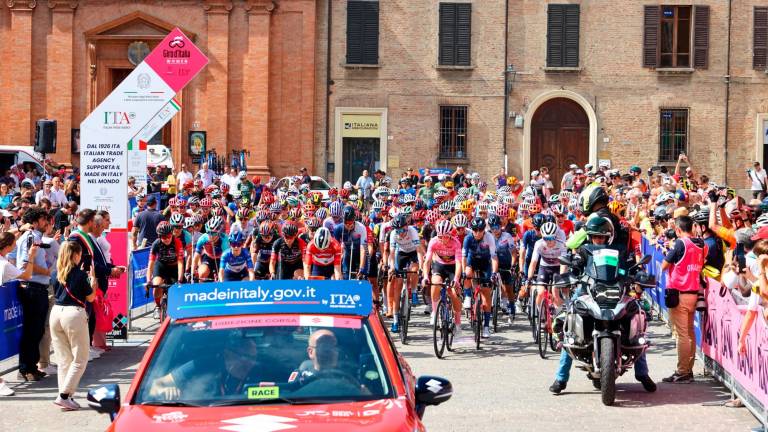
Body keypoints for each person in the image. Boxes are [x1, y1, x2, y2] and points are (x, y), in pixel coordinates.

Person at [49, 240, 97, 411]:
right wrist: (93, 280)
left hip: (56, 313)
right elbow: (91, 297)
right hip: (73, 314)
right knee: (80, 358)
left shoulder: (55, 273)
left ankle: (67, 396)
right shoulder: (80, 274)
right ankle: (63, 396)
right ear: (76, 255)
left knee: (64, 360)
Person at [661, 215, 706, 383]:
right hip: (694, 293)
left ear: (678, 230)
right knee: (690, 333)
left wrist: (669, 251)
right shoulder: (700, 245)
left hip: (679, 293)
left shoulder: (680, 243)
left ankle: (682, 371)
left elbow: (664, 265)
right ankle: (688, 370)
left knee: (681, 335)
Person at [148, 336, 262, 400]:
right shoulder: (204, 365)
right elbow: (156, 385)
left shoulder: (264, 370)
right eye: (244, 357)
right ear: (227, 354)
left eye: (253, 358)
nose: (249, 363)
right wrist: (163, 390)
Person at [15, 206, 52, 382]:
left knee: (37, 331)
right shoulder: (30, 237)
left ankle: (32, 366)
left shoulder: (37, 237)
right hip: (32, 288)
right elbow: (24, 264)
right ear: (36, 221)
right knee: (31, 331)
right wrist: (46, 272)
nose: (47, 222)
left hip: (39, 289)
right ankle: (25, 368)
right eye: (44, 219)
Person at [0, 232, 36, 396]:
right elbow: (27, 276)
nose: (16, 245)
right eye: (14, 242)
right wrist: (31, 257)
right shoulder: (5, 264)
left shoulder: (5, 262)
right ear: (8, 245)